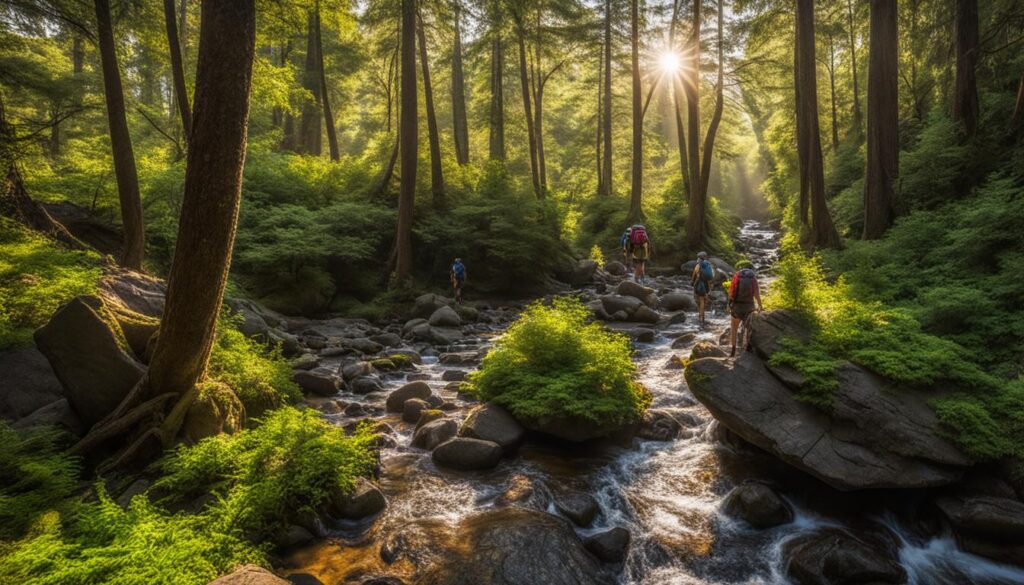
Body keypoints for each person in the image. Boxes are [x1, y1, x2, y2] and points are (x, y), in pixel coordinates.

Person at [728, 260, 762, 357]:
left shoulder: (737, 276)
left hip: (737, 306)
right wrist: (760, 306)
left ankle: (733, 350)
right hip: (749, 307)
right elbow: (756, 294)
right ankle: (747, 349)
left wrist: (729, 305)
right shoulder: (753, 278)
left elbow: (731, 293)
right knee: (748, 328)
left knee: (734, 328)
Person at [690, 252, 715, 328]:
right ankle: (702, 316)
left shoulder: (698, 266)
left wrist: (692, 282)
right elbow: (711, 277)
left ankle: (701, 317)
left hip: (699, 285)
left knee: (700, 300)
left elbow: (693, 277)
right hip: (706, 285)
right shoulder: (708, 265)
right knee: (703, 300)